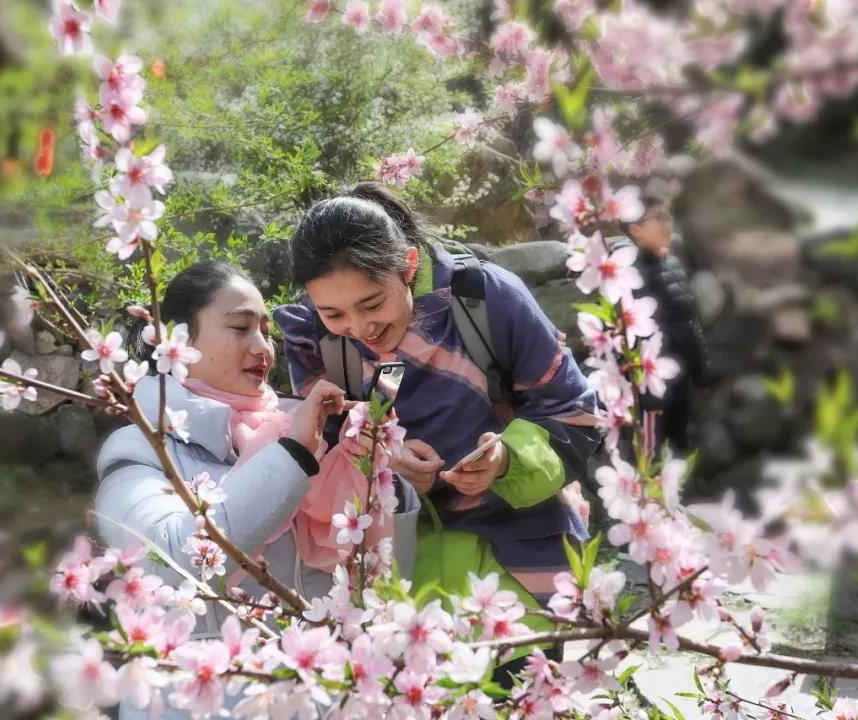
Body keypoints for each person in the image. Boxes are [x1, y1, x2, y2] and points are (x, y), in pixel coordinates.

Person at [273, 183, 602, 671]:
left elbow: (574, 410)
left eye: (372, 304)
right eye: (334, 313)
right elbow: (325, 440)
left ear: (408, 266)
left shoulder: (485, 299)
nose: (360, 328)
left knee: (521, 695)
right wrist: (382, 457)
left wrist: (506, 459)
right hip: (400, 573)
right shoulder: (315, 338)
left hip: (518, 561)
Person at [95, 260, 419, 719]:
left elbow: (382, 588)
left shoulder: (300, 430)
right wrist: (291, 455)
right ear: (177, 342)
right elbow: (167, 564)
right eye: (240, 327)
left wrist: (380, 476)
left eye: (266, 332)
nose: (263, 347)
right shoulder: (139, 447)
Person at [615, 196, 711, 453]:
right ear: (635, 229)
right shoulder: (629, 274)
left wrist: (702, 371)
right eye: (659, 218)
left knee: (682, 450)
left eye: (668, 217)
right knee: (650, 455)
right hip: (652, 388)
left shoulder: (673, 264)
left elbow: (690, 323)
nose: (667, 225)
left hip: (683, 381)